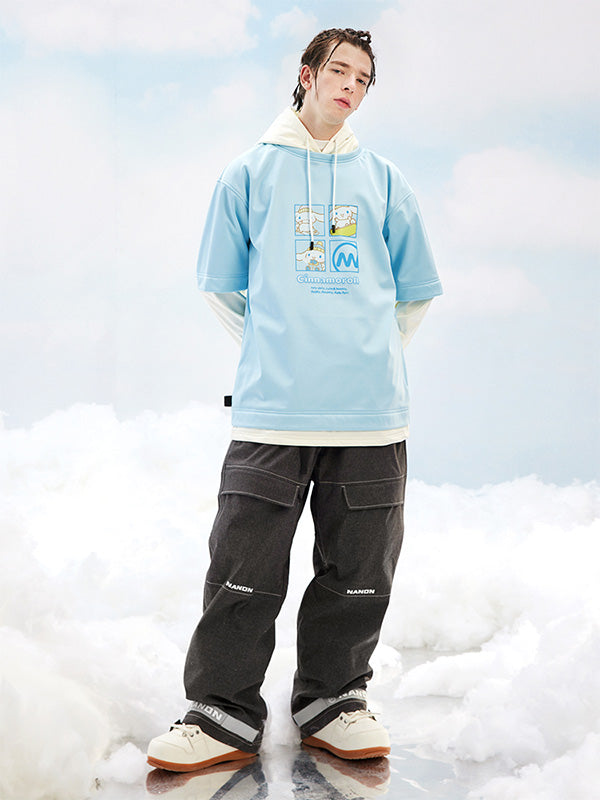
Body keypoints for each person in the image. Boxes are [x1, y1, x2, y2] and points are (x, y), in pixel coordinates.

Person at [147, 27, 442, 773]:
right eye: (339, 70)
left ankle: (333, 703)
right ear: (307, 74)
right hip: (272, 411)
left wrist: (367, 355)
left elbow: (415, 292)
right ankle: (221, 713)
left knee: (359, 571)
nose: (351, 86)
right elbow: (221, 286)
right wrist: (279, 352)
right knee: (243, 567)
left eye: (363, 79)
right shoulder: (248, 174)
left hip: (371, 416)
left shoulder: (385, 180)